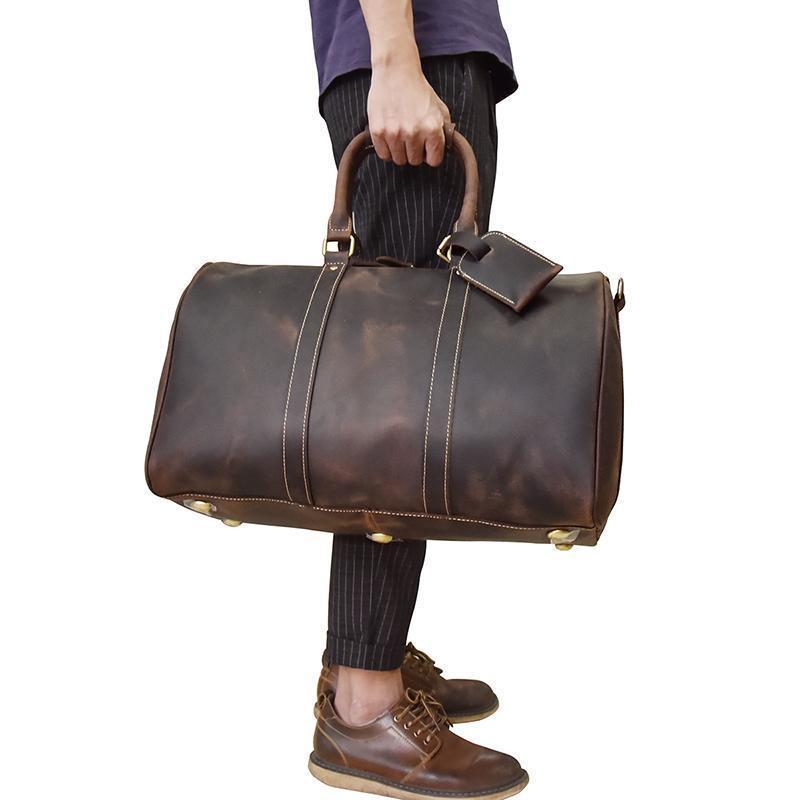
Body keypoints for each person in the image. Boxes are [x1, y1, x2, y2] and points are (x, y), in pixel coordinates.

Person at [307, 2, 527, 798]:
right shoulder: (402, 56)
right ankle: (365, 706)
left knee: (411, 382)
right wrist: (397, 58)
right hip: (412, 51)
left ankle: (366, 657)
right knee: (399, 394)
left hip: (412, 48)